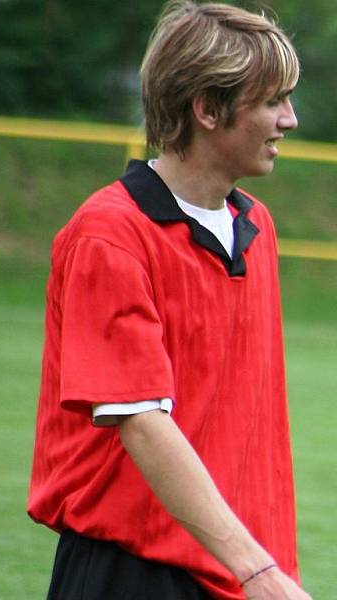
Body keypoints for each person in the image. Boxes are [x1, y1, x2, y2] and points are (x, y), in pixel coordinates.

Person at [27, 2, 311, 599]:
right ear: (207, 109)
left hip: (236, 568)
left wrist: (264, 567)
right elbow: (141, 422)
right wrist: (257, 570)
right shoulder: (109, 235)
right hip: (131, 574)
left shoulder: (255, 226)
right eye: (271, 101)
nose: (290, 118)